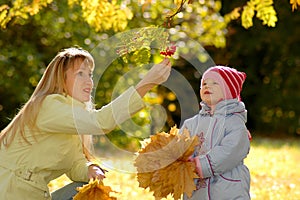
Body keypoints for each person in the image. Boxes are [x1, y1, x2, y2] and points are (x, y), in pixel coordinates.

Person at [0, 47, 172, 200]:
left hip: (35, 194)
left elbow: (74, 164)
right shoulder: (49, 105)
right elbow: (101, 122)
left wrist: (90, 168)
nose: (89, 81)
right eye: (80, 73)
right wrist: (147, 83)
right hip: (10, 191)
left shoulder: (72, 122)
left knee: (88, 191)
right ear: (61, 78)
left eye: (89, 74)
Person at [180, 66, 251, 200]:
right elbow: (179, 145)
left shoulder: (234, 123)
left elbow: (230, 150)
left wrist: (201, 165)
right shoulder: (192, 123)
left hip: (226, 189)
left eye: (215, 83)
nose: (208, 86)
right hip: (197, 190)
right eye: (204, 83)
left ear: (229, 91)